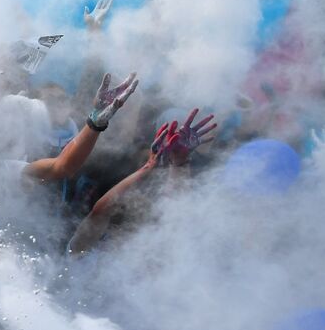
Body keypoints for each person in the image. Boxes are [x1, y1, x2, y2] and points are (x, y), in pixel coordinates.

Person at [67, 109, 216, 254]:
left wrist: (179, 163)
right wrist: (148, 167)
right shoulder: (83, 252)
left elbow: (175, 220)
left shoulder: (149, 260)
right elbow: (100, 212)